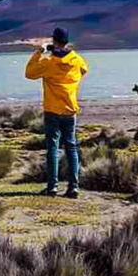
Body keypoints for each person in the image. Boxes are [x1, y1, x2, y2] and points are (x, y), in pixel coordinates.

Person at [25, 27, 89, 198]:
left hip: (52, 110)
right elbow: (84, 69)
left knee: (52, 148)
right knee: (71, 147)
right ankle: (73, 187)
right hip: (70, 110)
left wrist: (40, 52)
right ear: (67, 42)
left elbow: (29, 73)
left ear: (54, 42)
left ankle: (52, 187)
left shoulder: (48, 63)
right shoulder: (77, 61)